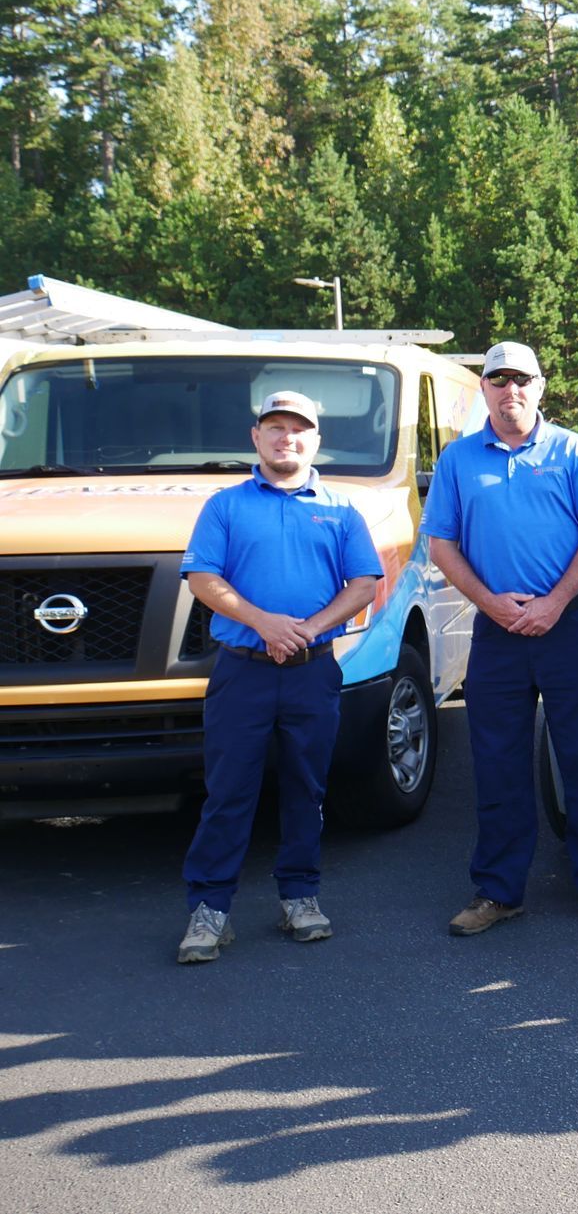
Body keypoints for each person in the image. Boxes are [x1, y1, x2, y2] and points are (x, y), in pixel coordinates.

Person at [423, 341, 578, 936]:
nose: (510, 389)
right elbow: (441, 544)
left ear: (540, 387)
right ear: (484, 389)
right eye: (498, 379)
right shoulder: (459, 460)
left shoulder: (571, 450)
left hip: (565, 627)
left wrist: (555, 601)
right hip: (496, 630)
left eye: (522, 379)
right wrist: (490, 602)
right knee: (497, 764)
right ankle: (498, 892)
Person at [175, 391, 382, 964]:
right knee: (228, 792)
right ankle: (211, 909)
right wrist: (263, 622)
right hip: (243, 673)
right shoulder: (226, 506)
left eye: (298, 429)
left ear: (315, 440)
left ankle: (300, 897)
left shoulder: (342, 508)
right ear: (256, 437)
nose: (285, 437)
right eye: (275, 428)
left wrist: (306, 629)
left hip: (312, 674)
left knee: (306, 788)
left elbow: (364, 583)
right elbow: (202, 579)